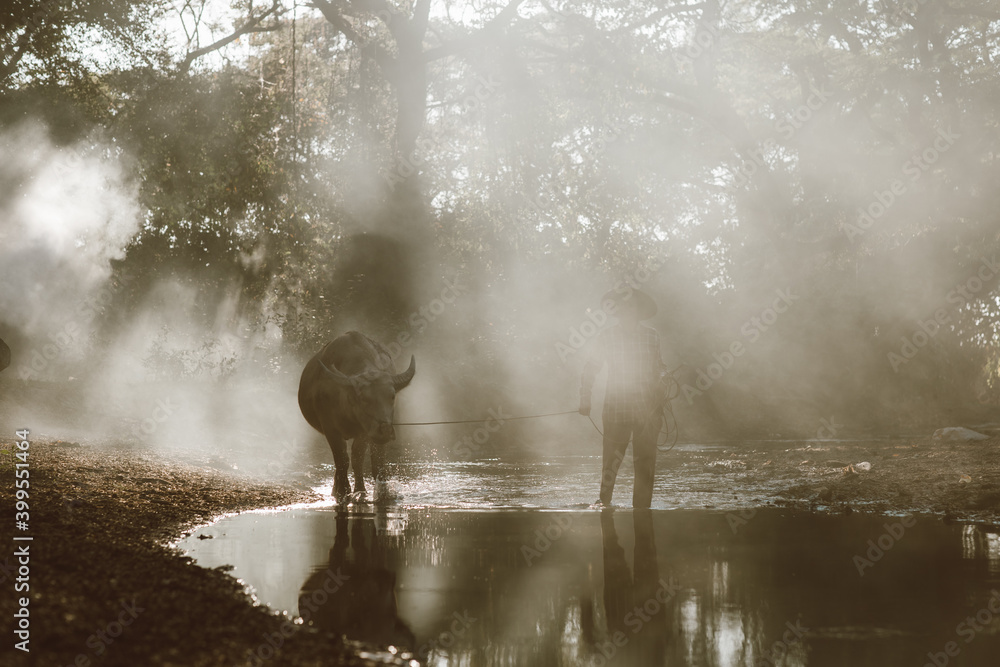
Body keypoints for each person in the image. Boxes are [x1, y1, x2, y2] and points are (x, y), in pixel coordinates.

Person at [579, 286, 667, 509]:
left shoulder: (651, 336)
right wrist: (585, 398)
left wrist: (664, 382)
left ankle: (642, 510)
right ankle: (604, 504)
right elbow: (592, 368)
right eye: (624, 305)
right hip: (616, 409)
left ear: (638, 310)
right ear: (617, 310)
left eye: (632, 305)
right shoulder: (607, 336)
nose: (628, 309)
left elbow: (659, 368)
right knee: (611, 462)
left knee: (645, 465)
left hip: (648, 410)